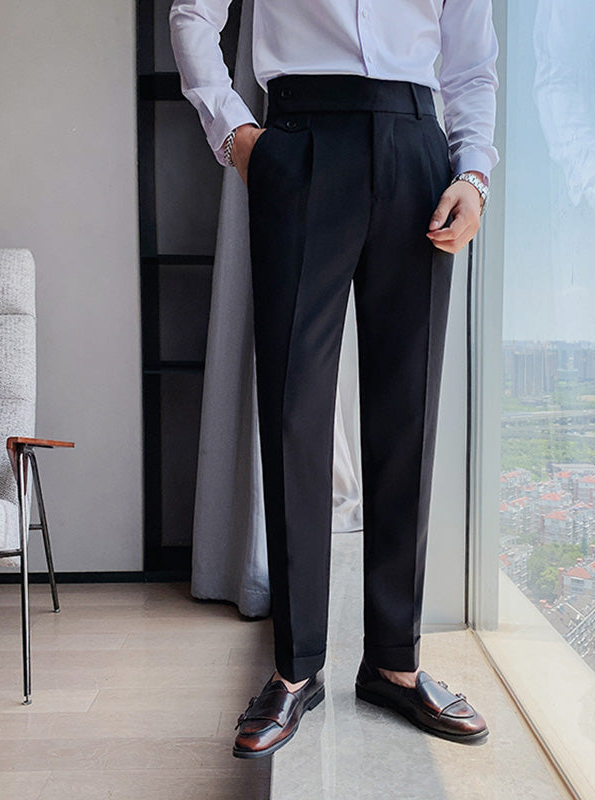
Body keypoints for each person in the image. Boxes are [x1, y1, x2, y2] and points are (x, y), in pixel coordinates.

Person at [169, 0, 498, 758]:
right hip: (300, 140)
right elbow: (191, 14)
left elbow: (471, 64)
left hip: (419, 149)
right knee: (295, 414)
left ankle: (394, 664)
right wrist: (236, 132)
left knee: (407, 414)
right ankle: (295, 669)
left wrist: (474, 172)